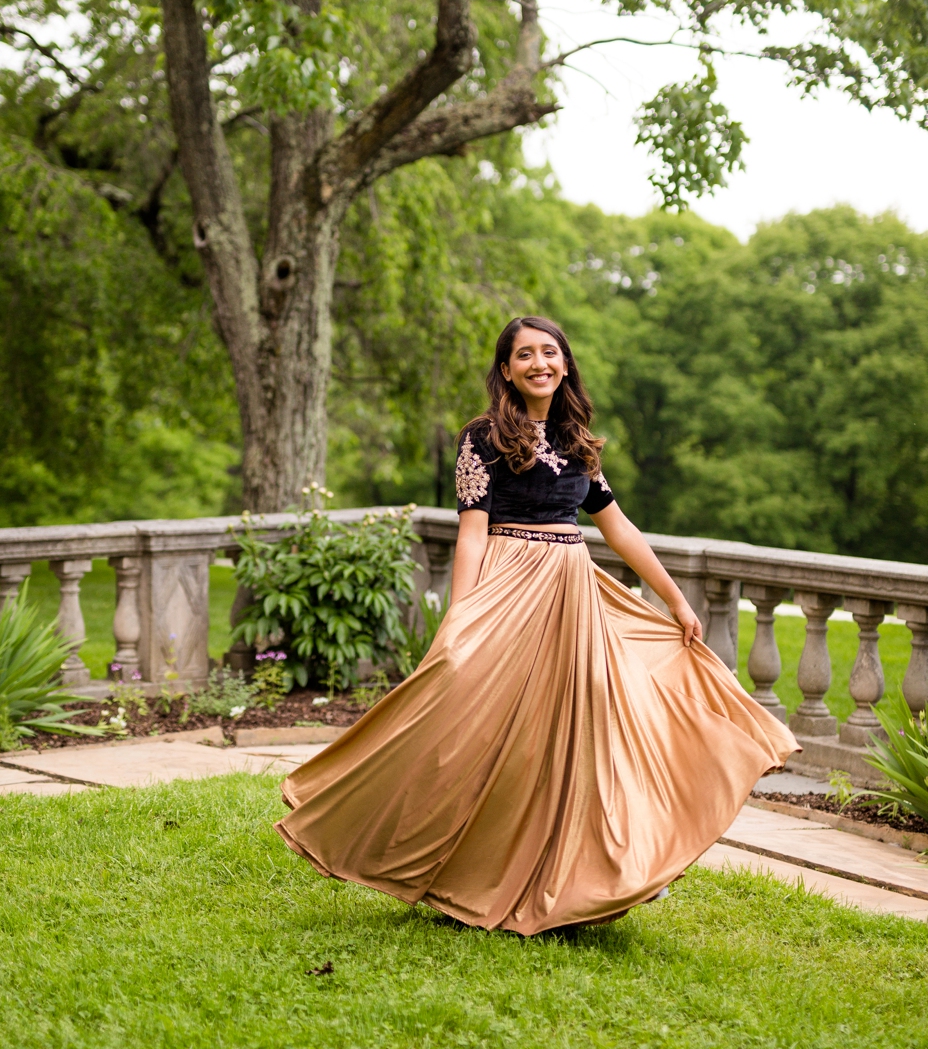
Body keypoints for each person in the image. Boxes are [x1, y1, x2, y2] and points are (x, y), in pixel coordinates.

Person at [274, 315, 797, 934]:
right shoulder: (483, 435)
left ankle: (575, 879)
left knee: (576, 738)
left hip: (571, 593)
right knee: (485, 734)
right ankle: (446, 868)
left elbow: (618, 528)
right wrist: (461, 617)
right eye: (524, 355)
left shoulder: (578, 439)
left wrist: (675, 599)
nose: (539, 363)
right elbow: (471, 535)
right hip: (508, 587)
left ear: (566, 365)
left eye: (550, 352)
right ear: (506, 370)